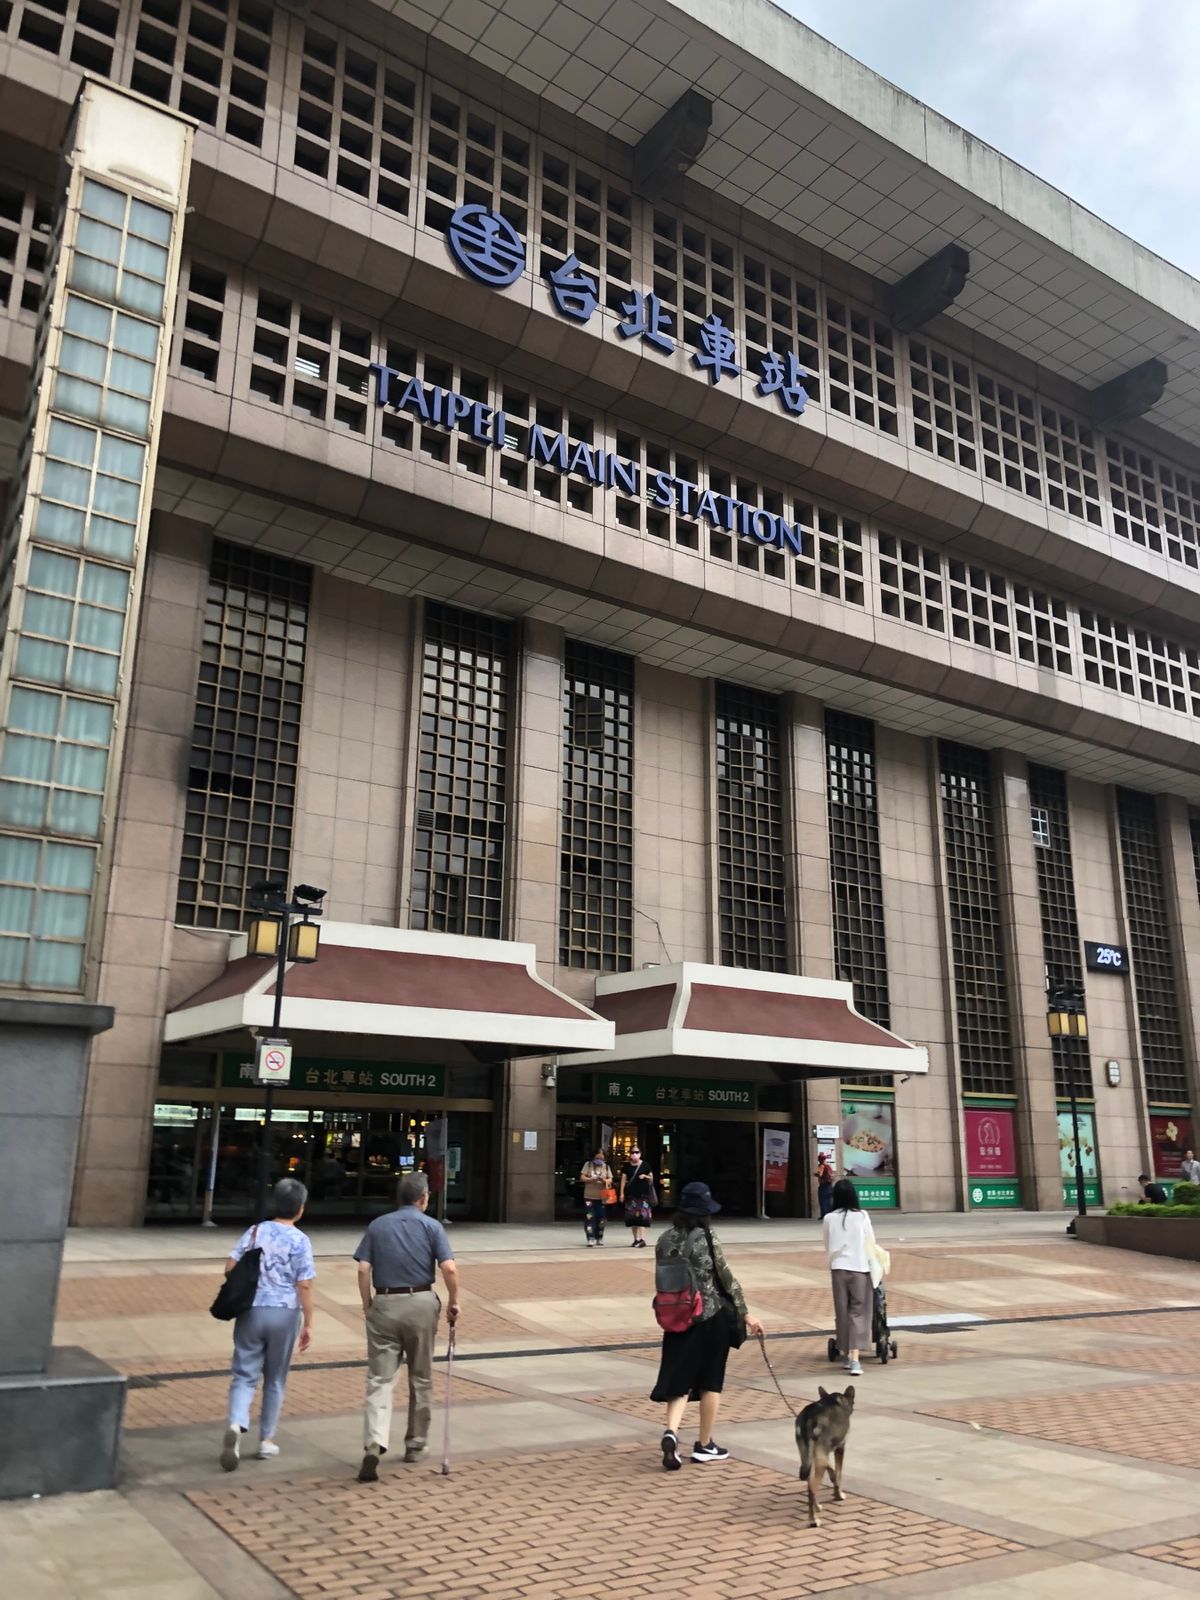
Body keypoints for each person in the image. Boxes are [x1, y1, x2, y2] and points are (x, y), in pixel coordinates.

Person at [354, 1171, 459, 1483]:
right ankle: (415, 1443)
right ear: (423, 1197)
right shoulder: (431, 1226)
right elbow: (449, 1268)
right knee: (421, 1376)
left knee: (380, 1379)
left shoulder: (378, 1225)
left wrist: (366, 1304)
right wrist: (454, 1300)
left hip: (384, 1303)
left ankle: (375, 1442)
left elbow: (363, 1268)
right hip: (421, 1302)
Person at [651, 1180, 763, 1469]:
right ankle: (704, 1444)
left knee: (679, 1381)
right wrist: (746, 1314)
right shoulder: (707, 1238)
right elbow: (725, 1278)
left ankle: (671, 1432)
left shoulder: (664, 1239)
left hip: (676, 1318)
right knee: (711, 1382)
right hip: (710, 1316)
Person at [220, 1176, 315, 1471]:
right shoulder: (300, 1240)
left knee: (244, 1374)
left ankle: (236, 1424)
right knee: (275, 1378)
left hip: (251, 1310)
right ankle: (266, 1440)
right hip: (284, 1312)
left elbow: (230, 1266)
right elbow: (305, 1284)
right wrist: (308, 1322)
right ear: (300, 1208)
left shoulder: (255, 1231)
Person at [823, 1178, 876, 1378]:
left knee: (842, 1312)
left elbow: (827, 1245)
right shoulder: (862, 1216)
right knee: (859, 1312)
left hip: (838, 1269)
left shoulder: (829, 1218)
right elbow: (871, 1242)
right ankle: (855, 1358)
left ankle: (845, 1352)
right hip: (860, 1268)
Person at [619, 1145, 656, 1247]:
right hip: (631, 1196)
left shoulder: (645, 1165)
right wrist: (621, 1193)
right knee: (632, 1218)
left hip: (643, 1196)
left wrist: (645, 1176)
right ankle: (636, 1239)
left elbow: (651, 1178)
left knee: (643, 1218)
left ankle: (642, 1239)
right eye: (632, 1152)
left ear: (640, 1154)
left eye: (636, 1152)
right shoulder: (626, 1167)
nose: (634, 1154)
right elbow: (623, 1180)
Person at [579, 1148, 614, 1247]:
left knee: (602, 1218)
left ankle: (599, 1237)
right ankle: (590, 1237)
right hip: (589, 1196)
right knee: (590, 1217)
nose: (599, 1158)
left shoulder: (606, 1167)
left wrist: (604, 1180)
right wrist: (590, 1179)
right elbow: (582, 1177)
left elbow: (610, 1179)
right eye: (597, 1156)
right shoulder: (588, 1165)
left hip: (602, 1197)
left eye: (601, 1156)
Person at [816, 1153, 835, 1219]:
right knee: (829, 1201)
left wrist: (816, 1174)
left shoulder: (821, 1166)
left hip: (823, 1186)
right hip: (829, 1185)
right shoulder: (828, 1166)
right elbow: (832, 1175)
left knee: (823, 1201)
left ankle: (824, 1215)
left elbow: (820, 1174)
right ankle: (829, 1215)